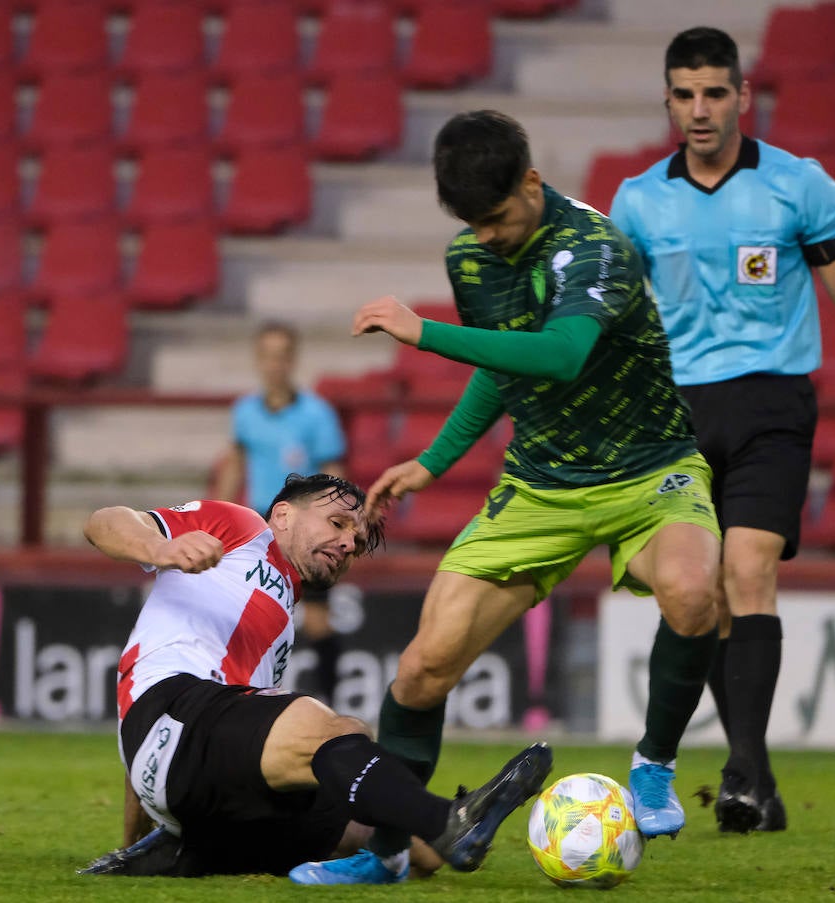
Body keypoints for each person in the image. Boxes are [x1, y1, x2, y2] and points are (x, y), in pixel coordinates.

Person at [291, 110, 724, 885]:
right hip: (541, 485)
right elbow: (506, 363)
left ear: (532, 182)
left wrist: (422, 333)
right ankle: (387, 850)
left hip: (649, 472)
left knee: (694, 593)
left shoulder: (596, 248)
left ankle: (653, 768)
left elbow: (559, 355)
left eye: (495, 218)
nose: (485, 236)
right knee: (423, 668)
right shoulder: (474, 256)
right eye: (470, 222)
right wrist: (435, 458)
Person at [607, 27, 835, 834]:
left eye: (715, 92)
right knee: (701, 593)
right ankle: (759, 776)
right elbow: (611, 323)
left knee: (748, 568)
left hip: (771, 403)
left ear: (744, 96)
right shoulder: (639, 201)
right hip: (675, 413)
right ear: (669, 100)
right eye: (685, 94)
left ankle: (740, 773)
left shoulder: (798, 186)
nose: (700, 109)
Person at [76, 473, 553, 880]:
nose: (349, 543)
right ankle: (453, 822)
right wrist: (161, 547)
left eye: (357, 542)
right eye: (338, 523)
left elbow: (181, 740)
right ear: (283, 515)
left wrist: (128, 844)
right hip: (169, 721)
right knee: (340, 732)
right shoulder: (242, 528)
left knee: (408, 843)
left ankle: (179, 851)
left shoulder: (280, 616)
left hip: (190, 779)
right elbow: (104, 522)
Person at [213, 321, 348, 702]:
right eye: (268, 356)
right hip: (260, 530)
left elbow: (334, 475)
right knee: (254, 617)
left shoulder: (316, 414)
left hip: (306, 533)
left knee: (318, 621)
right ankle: (247, 700)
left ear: (293, 360)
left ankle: (329, 705)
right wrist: (220, 519)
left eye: (282, 356)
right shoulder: (245, 413)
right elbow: (235, 464)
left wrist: (335, 527)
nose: (275, 365)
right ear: (259, 360)